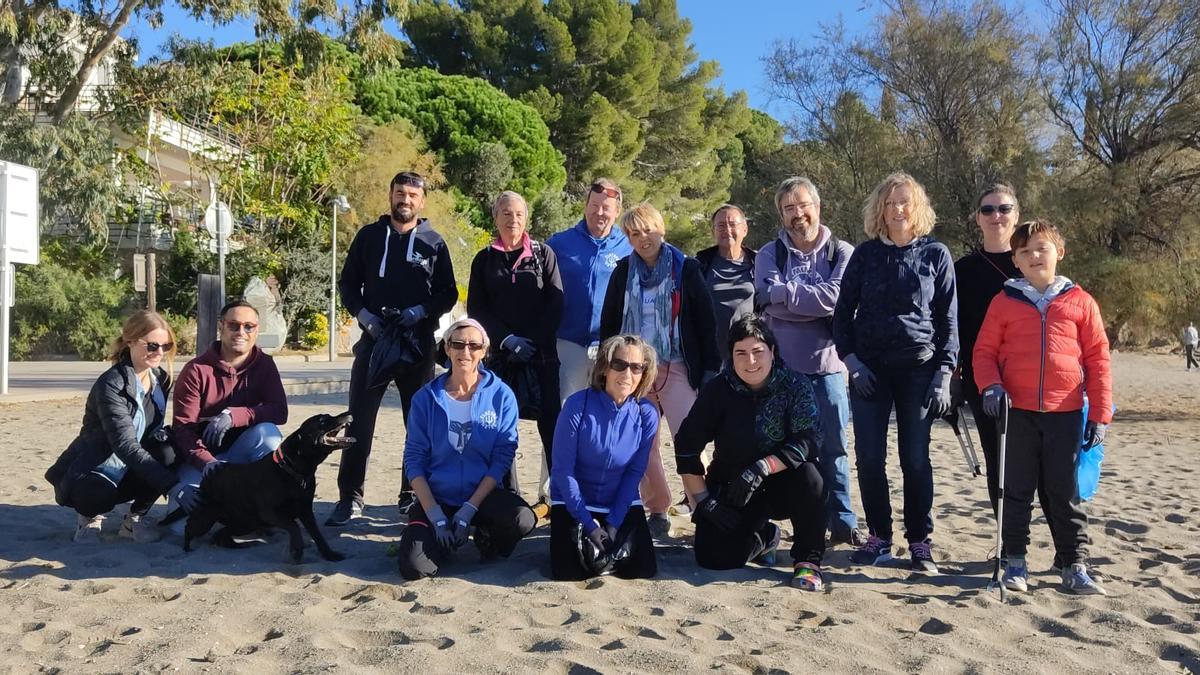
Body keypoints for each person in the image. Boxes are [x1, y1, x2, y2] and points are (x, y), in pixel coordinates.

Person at [973, 219, 1112, 595]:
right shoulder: (1003, 303)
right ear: (1015, 260)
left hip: (1065, 414)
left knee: (1064, 493)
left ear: (1059, 253)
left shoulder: (1080, 302)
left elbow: (1098, 360)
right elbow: (983, 353)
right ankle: (1015, 563)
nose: (1034, 256)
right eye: (1025, 251)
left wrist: (1100, 414)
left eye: (1042, 248)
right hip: (1016, 414)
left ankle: (1074, 564)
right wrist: (991, 387)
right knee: (1015, 492)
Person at [832, 172, 958, 574]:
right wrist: (852, 363)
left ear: (917, 207)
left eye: (904, 202)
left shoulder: (936, 255)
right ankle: (880, 538)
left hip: (918, 372)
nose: (898, 209)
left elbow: (949, 321)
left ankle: (920, 540)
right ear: (879, 210)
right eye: (890, 203)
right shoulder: (865, 256)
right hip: (869, 371)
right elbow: (841, 317)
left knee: (915, 459)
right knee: (869, 458)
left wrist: (943, 375)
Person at [331, 170, 458, 525]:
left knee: (418, 425)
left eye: (413, 195)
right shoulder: (369, 237)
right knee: (358, 421)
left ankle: (410, 494)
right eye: (400, 193)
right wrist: (364, 315)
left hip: (417, 346)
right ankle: (350, 497)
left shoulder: (434, 242)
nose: (406, 200)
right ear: (390, 195)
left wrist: (421, 311)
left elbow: (448, 292)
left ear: (422, 201)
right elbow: (347, 284)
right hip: (374, 342)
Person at [674, 315, 828, 590]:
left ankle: (808, 560)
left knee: (812, 477)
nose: (751, 361)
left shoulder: (795, 385)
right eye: (740, 353)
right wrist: (705, 502)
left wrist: (763, 467)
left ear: (773, 351)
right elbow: (686, 447)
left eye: (758, 352)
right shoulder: (717, 391)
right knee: (713, 559)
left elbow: (809, 440)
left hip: (783, 480)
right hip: (734, 484)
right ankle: (766, 537)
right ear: (731, 356)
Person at [599, 202, 720, 537]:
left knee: (690, 439)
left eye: (647, 230)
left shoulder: (686, 268)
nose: (643, 238)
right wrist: (611, 366)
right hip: (636, 372)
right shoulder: (623, 271)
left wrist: (710, 367)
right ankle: (657, 509)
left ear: (660, 229)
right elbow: (609, 322)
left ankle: (702, 504)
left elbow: (706, 323)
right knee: (642, 443)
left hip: (678, 366)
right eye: (634, 233)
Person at [754, 177, 861, 547]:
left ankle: (843, 522)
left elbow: (836, 299)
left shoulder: (842, 251)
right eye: (788, 208)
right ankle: (778, 523)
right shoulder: (770, 252)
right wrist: (805, 302)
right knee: (778, 448)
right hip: (782, 371)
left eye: (803, 205)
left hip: (830, 368)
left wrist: (787, 297)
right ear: (781, 214)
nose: (797, 214)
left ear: (817, 205)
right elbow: (766, 297)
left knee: (835, 448)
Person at [396, 318, 536, 580]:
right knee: (415, 568)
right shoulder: (425, 398)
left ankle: (486, 539)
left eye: (474, 345)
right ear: (447, 349)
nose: (465, 352)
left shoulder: (502, 396)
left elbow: (502, 458)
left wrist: (469, 509)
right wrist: (436, 516)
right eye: (458, 344)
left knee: (523, 519)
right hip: (437, 497)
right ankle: (441, 543)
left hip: (482, 496)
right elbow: (414, 460)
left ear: (485, 351)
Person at [44, 310, 185, 543]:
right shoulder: (111, 384)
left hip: (132, 465)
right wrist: (173, 486)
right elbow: (124, 445)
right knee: (98, 493)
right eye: (152, 346)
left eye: (166, 346)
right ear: (130, 341)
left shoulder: (161, 379)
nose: (159, 353)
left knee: (169, 451)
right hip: (97, 466)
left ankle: (134, 520)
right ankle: (88, 518)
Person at [467, 191, 564, 511]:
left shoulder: (543, 254)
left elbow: (555, 302)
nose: (513, 220)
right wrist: (508, 340)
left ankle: (559, 496)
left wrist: (530, 341)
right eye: (506, 214)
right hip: (500, 357)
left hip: (542, 354)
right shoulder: (483, 259)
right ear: (495, 218)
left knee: (551, 425)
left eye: (519, 214)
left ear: (527, 218)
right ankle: (507, 496)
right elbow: (477, 308)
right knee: (498, 428)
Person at [549, 334, 660, 580]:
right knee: (568, 572)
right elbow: (562, 470)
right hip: (573, 500)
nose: (627, 373)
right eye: (619, 364)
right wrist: (589, 525)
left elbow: (634, 473)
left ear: (644, 373)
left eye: (636, 367)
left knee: (643, 569)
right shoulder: (576, 405)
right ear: (604, 369)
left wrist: (612, 524)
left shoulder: (647, 414)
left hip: (619, 501)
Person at [170, 300, 288, 517]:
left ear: (256, 330)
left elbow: (280, 411)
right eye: (233, 325)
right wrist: (208, 463)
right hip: (204, 460)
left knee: (269, 433)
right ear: (221, 326)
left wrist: (235, 415)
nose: (240, 332)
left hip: (245, 453)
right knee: (180, 526)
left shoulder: (265, 365)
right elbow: (182, 429)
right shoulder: (196, 370)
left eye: (248, 326)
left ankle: (264, 508)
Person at [546, 179, 633, 402]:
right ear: (585, 206)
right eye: (594, 205)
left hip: (609, 346)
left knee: (605, 408)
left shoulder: (628, 248)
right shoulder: (559, 243)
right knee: (566, 409)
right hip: (567, 343)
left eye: (606, 208)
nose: (599, 212)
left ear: (617, 211)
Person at [695, 204, 757, 355]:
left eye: (732, 224)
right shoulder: (700, 265)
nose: (727, 230)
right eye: (721, 225)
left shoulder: (759, 262)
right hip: (711, 354)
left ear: (745, 229)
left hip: (750, 351)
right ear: (713, 231)